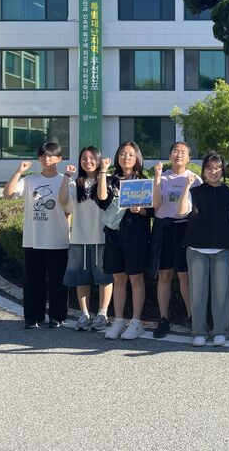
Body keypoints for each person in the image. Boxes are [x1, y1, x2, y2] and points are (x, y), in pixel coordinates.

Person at [3, 141, 70, 329]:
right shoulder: (29, 180)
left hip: (58, 240)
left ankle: (57, 317)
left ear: (59, 158)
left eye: (50, 155)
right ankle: (33, 317)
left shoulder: (66, 180)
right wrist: (19, 172)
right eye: (42, 155)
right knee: (33, 282)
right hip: (33, 240)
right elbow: (8, 194)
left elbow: (69, 208)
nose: (46, 159)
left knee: (58, 282)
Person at [179, 152, 229, 347]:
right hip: (196, 248)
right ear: (203, 171)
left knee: (221, 293)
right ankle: (199, 331)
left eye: (217, 168)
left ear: (223, 170)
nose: (213, 172)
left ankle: (220, 331)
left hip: (222, 249)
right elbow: (182, 210)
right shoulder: (195, 192)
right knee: (197, 293)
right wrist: (186, 187)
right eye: (209, 168)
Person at [97, 142, 153, 340]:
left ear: (137, 158)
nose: (126, 157)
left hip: (136, 237)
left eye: (130, 154)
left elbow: (153, 211)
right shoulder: (110, 180)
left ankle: (136, 322)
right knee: (118, 279)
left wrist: (141, 210)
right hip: (114, 237)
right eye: (122, 154)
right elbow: (102, 200)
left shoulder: (144, 181)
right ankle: (119, 320)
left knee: (136, 279)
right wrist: (103, 171)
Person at [58, 146, 114, 331]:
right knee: (80, 279)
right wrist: (67, 176)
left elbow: (103, 197)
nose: (87, 161)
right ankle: (84, 314)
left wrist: (103, 172)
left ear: (99, 160)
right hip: (79, 238)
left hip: (101, 237)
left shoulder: (107, 179)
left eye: (91, 158)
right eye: (84, 158)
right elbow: (63, 201)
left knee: (104, 278)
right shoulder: (76, 184)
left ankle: (102, 313)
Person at [151, 142, 201, 338]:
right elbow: (156, 205)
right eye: (175, 151)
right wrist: (156, 178)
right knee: (164, 275)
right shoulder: (161, 177)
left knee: (184, 275)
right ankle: (163, 318)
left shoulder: (195, 179)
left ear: (189, 158)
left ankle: (192, 317)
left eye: (183, 152)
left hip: (184, 228)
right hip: (163, 228)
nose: (178, 155)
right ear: (170, 155)